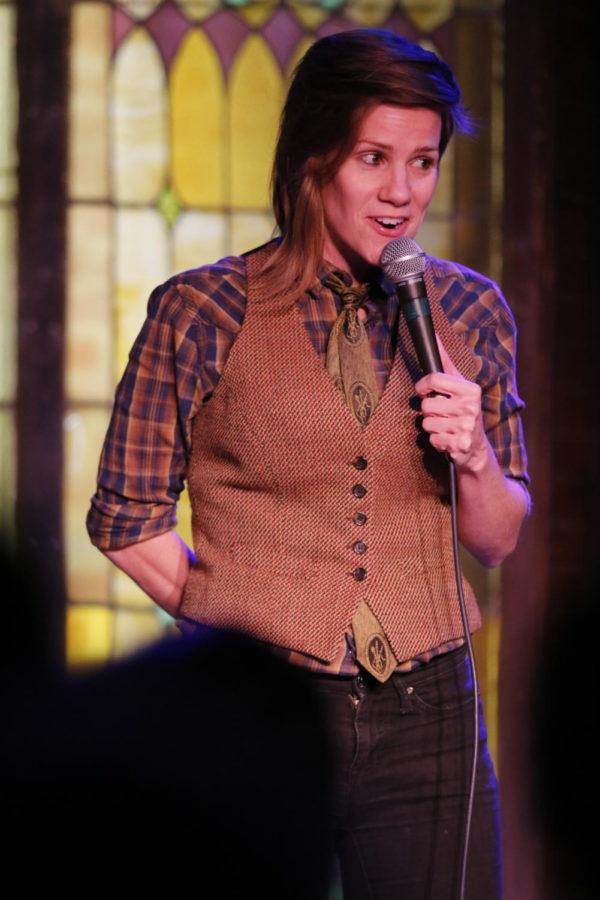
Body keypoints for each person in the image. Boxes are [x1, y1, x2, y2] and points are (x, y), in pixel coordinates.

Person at [87, 29, 530, 899]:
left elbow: (500, 537)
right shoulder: (203, 310)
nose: (402, 192)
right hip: (257, 717)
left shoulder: (469, 311)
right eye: (374, 158)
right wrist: (232, 632)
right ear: (315, 156)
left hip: (427, 712)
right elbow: (125, 518)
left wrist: (475, 455)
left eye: (424, 161)